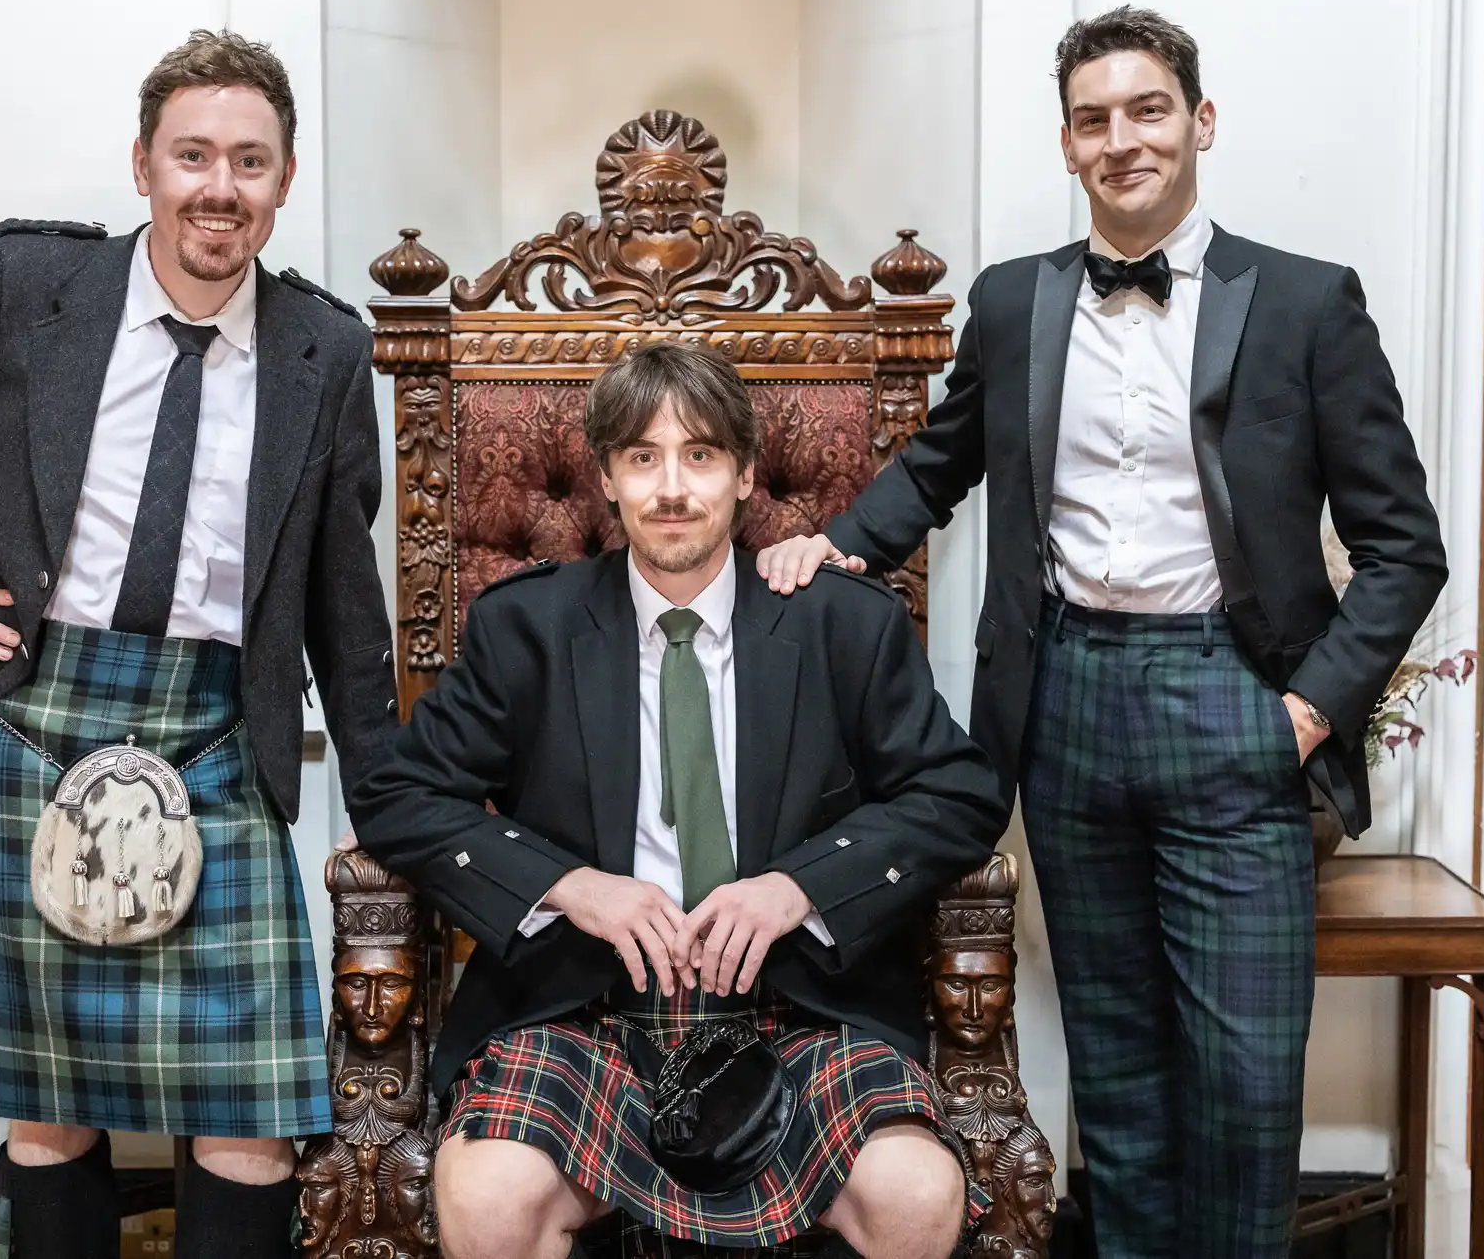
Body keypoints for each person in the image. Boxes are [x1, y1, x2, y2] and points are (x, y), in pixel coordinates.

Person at [757, 6, 1447, 1257]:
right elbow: (938, 464)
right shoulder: (1015, 303)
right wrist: (839, 540)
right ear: (1065, 143)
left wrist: (1300, 713)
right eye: (1092, 119)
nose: (1120, 139)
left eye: (1146, 110)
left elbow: (1406, 546)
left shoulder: (1302, 303)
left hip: (1231, 705)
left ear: (1199, 120)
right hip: (1063, 705)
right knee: (1116, 1088)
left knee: (1243, 1093)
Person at [0, 30, 395, 1258]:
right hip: (29, 725)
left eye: (248, 160)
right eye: (191, 155)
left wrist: (383, 805)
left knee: (248, 1129)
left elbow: (345, 598)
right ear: (142, 165)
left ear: (283, 181)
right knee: (46, 1118)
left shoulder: (325, 353)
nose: (217, 187)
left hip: (219, 741)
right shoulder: (30, 292)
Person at [350, 343, 1011, 1259]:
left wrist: (801, 887)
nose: (672, 487)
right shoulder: (526, 628)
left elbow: (961, 791)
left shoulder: (842, 623)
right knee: (491, 1194)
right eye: (642, 457)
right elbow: (395, 790)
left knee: (914, 1193)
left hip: (801, 1006)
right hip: (583, 1006)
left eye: (700, 455)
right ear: (608, 479)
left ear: (744, 475)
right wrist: (569, 883)